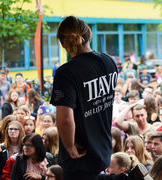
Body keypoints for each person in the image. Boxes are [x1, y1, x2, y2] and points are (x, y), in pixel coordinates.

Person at [50, 16, 118, 179]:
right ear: (89, 35)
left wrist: (70, 147)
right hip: (103, 151)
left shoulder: (66, 72)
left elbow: (65, 119)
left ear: (63, 43)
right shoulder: (109, 61)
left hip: (80, 160)